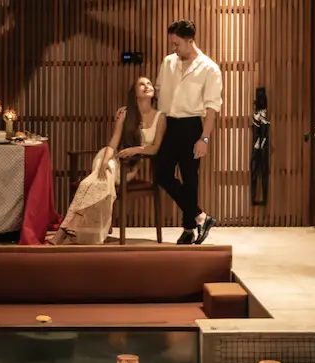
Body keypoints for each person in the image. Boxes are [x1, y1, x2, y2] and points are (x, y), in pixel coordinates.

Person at [50, 76, 166, 245]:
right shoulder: (126, 113)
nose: (147, 86)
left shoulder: (160, 117)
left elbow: (155, 148)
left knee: (92, 182)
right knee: (103, 174)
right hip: (112, 157)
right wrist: (105, 160)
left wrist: (136, 149)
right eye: (141, 84)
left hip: (130, 167)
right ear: (134, 93)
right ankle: (67, 230)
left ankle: (67, 228)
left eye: (149, 83)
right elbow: (113, 142)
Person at [154, 19, 221, 245]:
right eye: (172, 44)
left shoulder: (209, 67)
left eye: (177, 44)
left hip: (192, 125)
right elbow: (159, 92)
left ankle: (188, 229)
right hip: (169, 124)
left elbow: (212, 107)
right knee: (161, 173)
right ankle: (201, 216)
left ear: (190, 40)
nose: (174, 49)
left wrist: (204, 138)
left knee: (190, 180)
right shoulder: (168, 62)